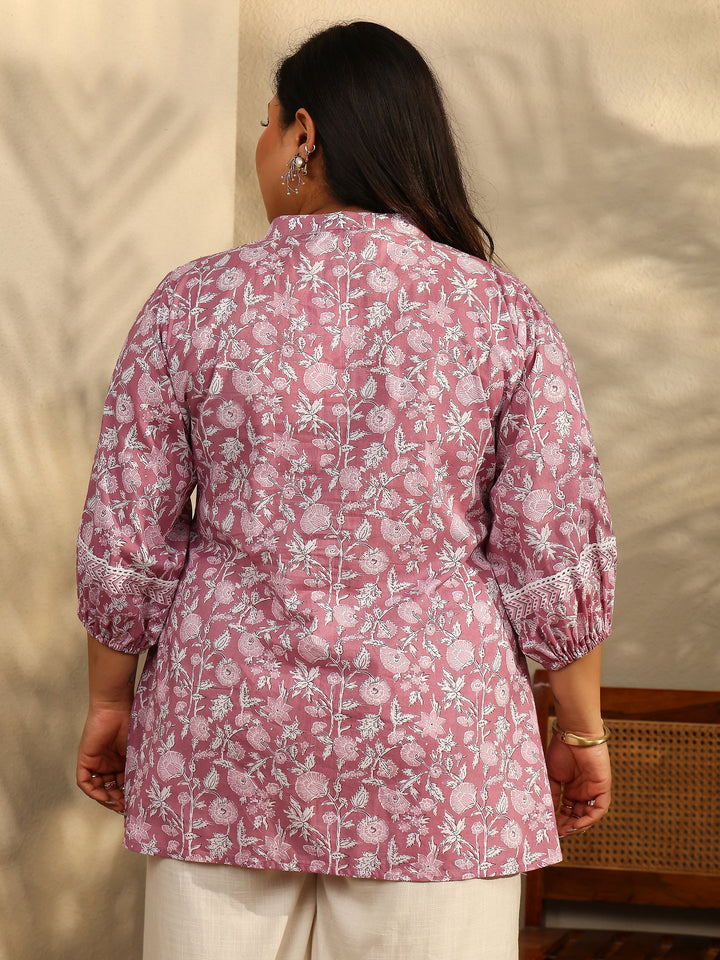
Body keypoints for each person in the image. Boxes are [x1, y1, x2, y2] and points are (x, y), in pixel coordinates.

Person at [76, 20, 615, 960]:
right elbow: (552, 543)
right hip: (437, 751)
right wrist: (583, 730)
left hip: (226, 736)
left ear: (305, 133)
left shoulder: (191, 304)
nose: (259, 144)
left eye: (266, 122)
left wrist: (109, 702)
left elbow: (131, 536)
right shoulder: (500, 313)